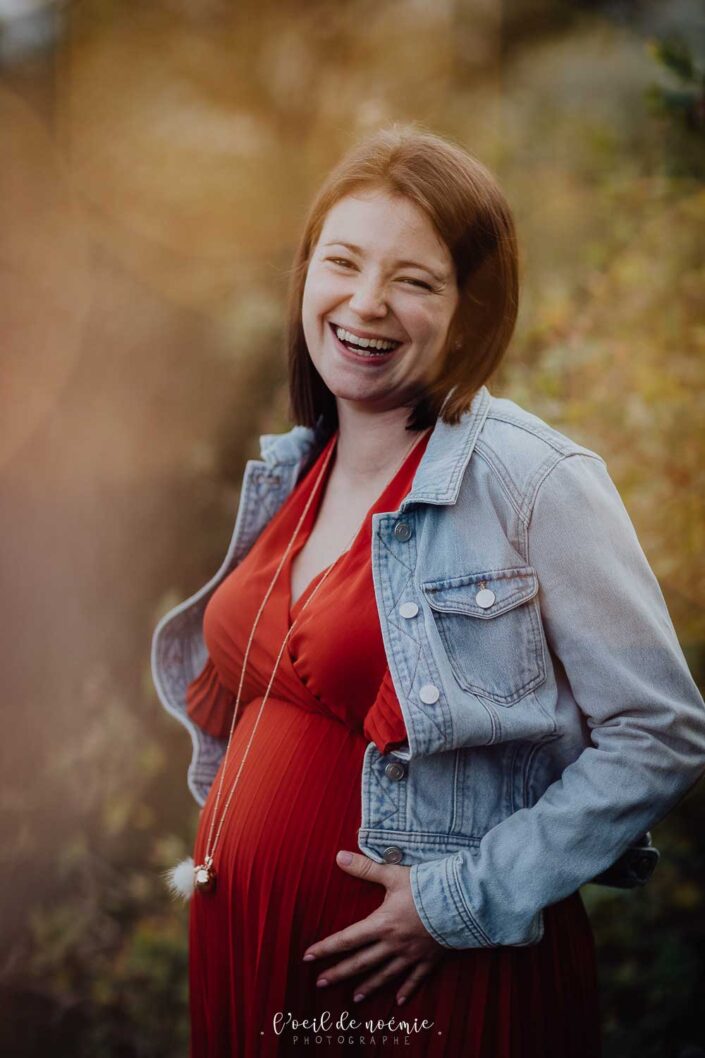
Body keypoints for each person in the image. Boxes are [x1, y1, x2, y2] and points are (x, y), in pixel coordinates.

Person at [151, 124, 705, 1058]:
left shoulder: (532, 480)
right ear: (306, 279)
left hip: (433, 980)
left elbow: (661, 732)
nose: (366, 303)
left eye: (414, 280)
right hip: (251, 955)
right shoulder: (294, 470)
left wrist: (459, 903)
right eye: (343, 263)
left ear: (470, 310)